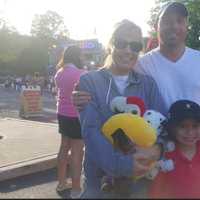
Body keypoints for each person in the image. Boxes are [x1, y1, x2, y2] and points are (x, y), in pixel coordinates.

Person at [78, 19, 167, 198]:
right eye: (121, 43)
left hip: (139, 185)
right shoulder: (89, 82)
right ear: (110, 45)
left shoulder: (147, 84)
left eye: (134, 46)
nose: (128, 50)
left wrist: (157, 149)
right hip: (100, 184)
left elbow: (162, 124)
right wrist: (124, 165)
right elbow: (91, 132)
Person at [72, 1, 200, 112]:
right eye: (167, 21)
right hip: (155, 138)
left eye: (180, 21)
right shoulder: (140, 64)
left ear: (186, 26)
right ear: (156, 27)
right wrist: (82, 95)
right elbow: (114, 77)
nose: (174, 26)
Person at [149, 100, 200, 198]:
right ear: (172, 128)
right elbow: (156, 193)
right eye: (183, 126)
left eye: (195, 126)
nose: (190, 132)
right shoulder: (164, 157)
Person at [54, 45, 86, 198]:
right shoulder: (82, 74)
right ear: (77, 56)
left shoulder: (59, 73)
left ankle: (61, 183)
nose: (83, 57)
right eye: (81, 54)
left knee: (63, 147)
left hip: (62, 114)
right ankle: (76, 188)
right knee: (77, 153)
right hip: (76, 115)